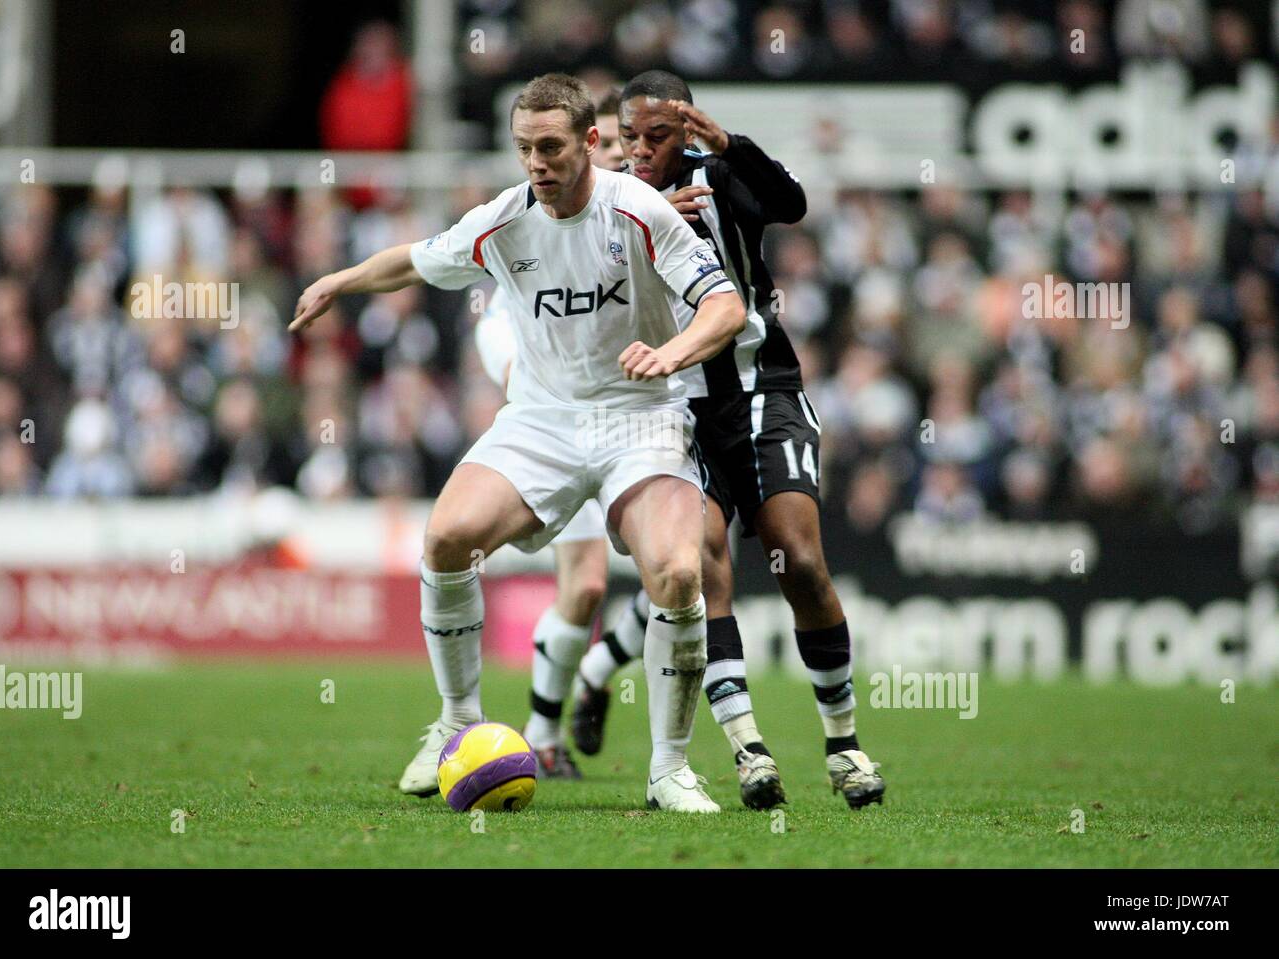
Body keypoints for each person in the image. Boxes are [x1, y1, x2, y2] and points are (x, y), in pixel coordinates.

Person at [291, 73, 747, 813]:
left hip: (642, 414)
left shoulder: (639, 211)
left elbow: (723, 305)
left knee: (675, 572)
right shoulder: (504, 220)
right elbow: (414, 258)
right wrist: (339, 280)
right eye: (524, 148)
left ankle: (669, 769)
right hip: (543, 418)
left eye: (550, 147)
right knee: (445, 538)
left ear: (590, 143)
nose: (535, 163)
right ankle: (458, 722)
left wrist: (672, 354)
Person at [571, 70, 886, 811]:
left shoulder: (720, 177)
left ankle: (843, 744)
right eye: (629, 139)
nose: (642, 152)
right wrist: (638, 220)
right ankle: (747, 748)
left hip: (760, 393)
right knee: (697, 564)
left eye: (658, 137)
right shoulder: (602, 202)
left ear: (684, 129)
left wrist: (732, 146)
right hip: (667, 408)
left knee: (800, 559)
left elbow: (791, 204)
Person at [465, 90, 627, 781]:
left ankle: (599, 666)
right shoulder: (535, 214)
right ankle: (541, 730)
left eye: (631, 144)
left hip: (646, 413)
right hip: (563, 412)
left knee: (693, 570)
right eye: (615, 142)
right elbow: (499, 323)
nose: (624, 155)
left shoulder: (650, 214)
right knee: (587, 585)